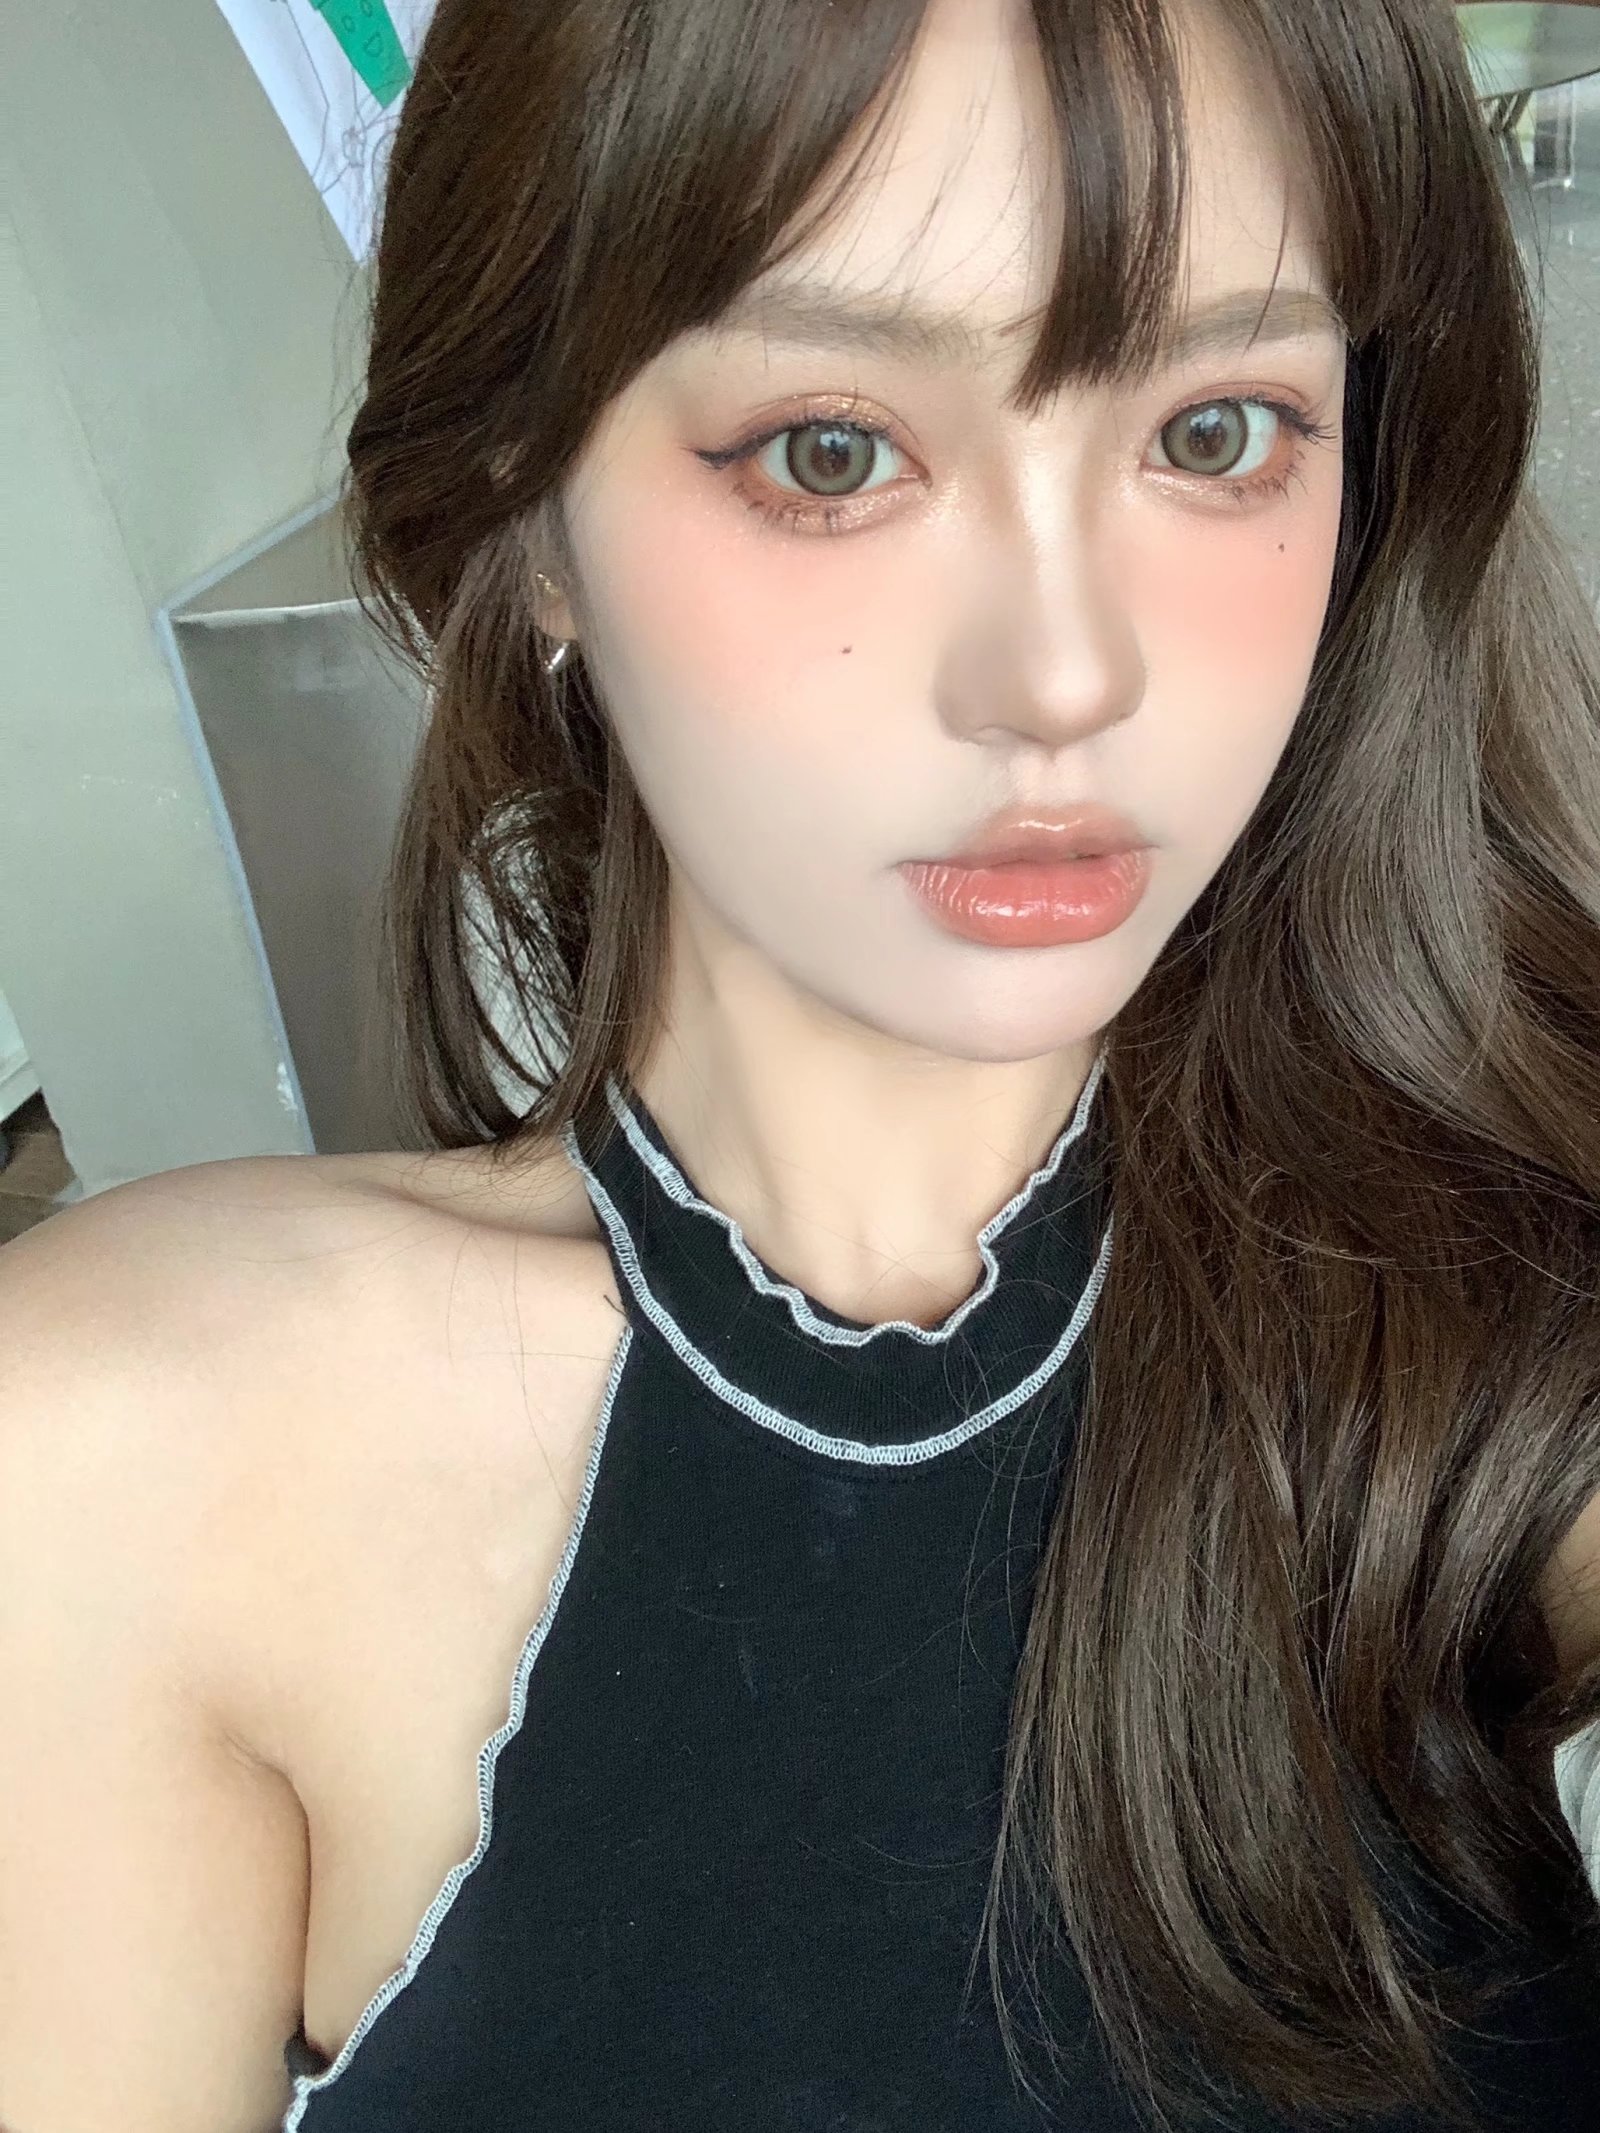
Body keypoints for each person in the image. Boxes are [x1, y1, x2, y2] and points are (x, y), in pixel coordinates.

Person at [4, 0, 1600, 2127]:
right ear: (528, 513)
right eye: (831, 453)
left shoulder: (1482, 1314)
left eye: (1216, 433)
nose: (1064, 670)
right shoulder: (120, 1464)